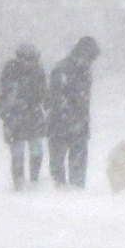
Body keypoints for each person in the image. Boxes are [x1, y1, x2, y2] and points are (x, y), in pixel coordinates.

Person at [46, 35, 100, 188]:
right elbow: (56, 97)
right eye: (91, 57)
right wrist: (70, 115)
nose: (92, 62)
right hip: (64, 122)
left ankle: (68, 189)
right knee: (67, 160)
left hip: (70, 122)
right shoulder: (65, 70)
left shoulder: (72, 69)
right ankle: (67, 190)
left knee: (63, 160)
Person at [0, 43, 47, 191]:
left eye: (32, 60)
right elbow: (2, 96)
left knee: (36, 151)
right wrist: (6, 116)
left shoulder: (38, 72)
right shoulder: (10, 71)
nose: (29, 63)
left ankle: (34, 182)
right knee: (17, 153)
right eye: (26, 59)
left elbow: (43, 93)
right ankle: (19, 184)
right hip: (15, 118)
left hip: (34, 117)